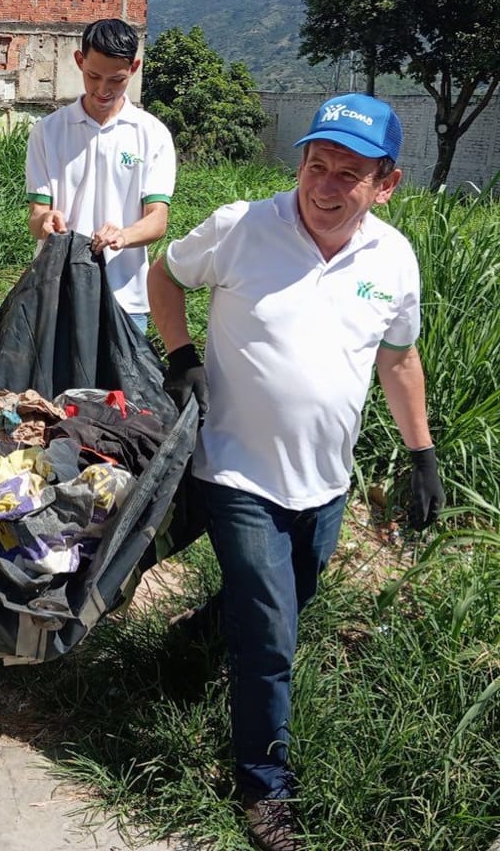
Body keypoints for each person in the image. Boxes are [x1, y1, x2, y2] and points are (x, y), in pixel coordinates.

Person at [148, 93, 445, 851]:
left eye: (350, 173)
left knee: (294, 591)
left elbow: (400, 358)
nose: (326, 184)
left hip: (327, 480)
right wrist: (181, 357)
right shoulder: (244, 226)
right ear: (300, 163)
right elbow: (165, 274)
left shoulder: (395, 259)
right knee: (273, 637)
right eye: (318, 165)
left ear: (386, 183)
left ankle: (197, 634)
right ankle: (263, 786)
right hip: (238, 472)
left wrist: (421, 456)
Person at [25, 18, 176, 334]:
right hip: (58, 296)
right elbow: (36, 216)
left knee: (119, 385)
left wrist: (123, 235)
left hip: (125, 300)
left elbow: (157, 220)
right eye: (93, 76)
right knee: (58, 385)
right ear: (79, 61)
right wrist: (46, 221)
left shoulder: (152, 134)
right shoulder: (49, 132)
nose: (102, 89)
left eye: (116, 80)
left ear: (133, 68)